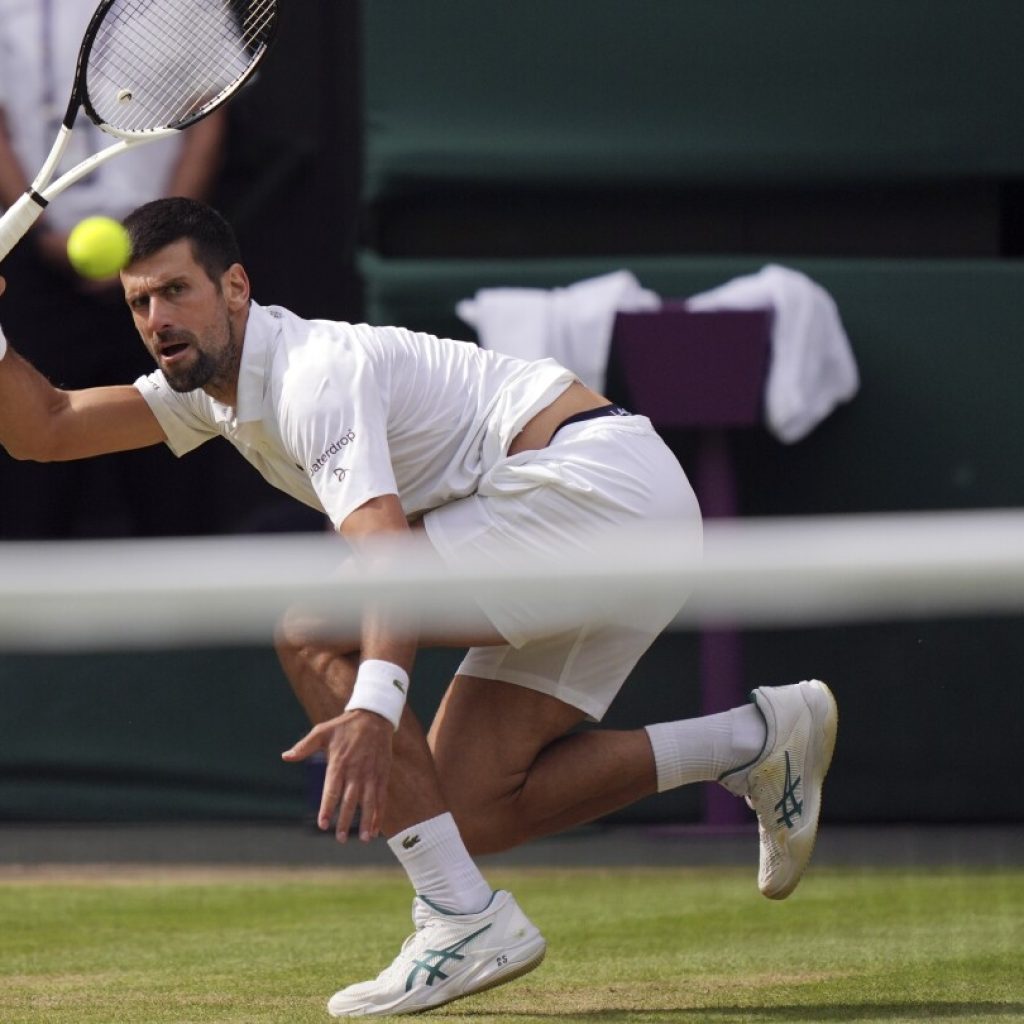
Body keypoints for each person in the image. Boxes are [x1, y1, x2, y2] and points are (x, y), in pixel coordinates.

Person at [0, 198, 838, 1018]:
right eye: (140, 301)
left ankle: (460, 921)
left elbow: (389, 560)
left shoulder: (311, 374)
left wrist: (371, 703)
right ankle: (756, 740)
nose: (157, 317)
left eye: (175, 290)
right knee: (471, 804)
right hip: (614, 509)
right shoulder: (209, 397)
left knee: (311, 632)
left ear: (235, 289)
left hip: (591, 493)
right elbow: (47, 427)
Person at [0, 0, 226, 538]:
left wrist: (160, 240)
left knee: (176, 484)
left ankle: (187, 618)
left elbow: (209, 114)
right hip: (41, 276)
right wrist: (39, 230)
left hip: (160, 270)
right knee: (29, 489)